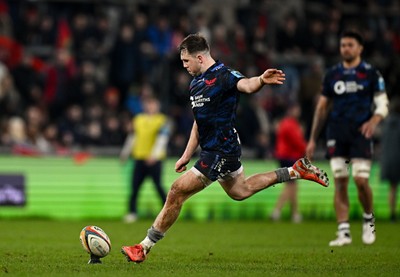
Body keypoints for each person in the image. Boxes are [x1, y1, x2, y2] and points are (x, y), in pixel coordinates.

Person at [121, 33, 329, 263]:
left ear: (199, 57)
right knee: (241, 191)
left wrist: (260, 79)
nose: (184, 66)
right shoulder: (195, 84)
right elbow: (198, 124)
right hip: (213, 149)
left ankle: (143, 247)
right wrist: (186, 154)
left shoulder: (224, 75)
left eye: (186, 61)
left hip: (222, 150)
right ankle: (295, 170)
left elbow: (247, 85)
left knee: (176, 191)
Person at [306, 31, 389, 246]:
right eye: (343, 45)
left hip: (361, 133)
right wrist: (313, 138)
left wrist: (373, 121)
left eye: (350, 45)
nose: (345, 49)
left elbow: (383, 105)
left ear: (360, 48)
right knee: (340, 181)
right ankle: (343, 231)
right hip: (337, 133)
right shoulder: (333, 74)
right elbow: (322, 107)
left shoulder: (371, 74)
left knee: (361, 181)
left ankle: (368, 219)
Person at [120, 97, 170, 223]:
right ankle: (132, 212)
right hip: (139, 158)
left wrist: (154, 155)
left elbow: (162, 139)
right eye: (149, 104)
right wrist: (125, 153)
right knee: (135, 187)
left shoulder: (162, 120)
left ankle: (168, 212)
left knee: (158, 186)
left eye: (154, 104)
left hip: (155, 160)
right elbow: (132, 137)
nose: (151, 107)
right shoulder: (138, 119)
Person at [271, 103, 307, 223]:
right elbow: (297, 141)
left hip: (285, 156)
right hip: (289, 157)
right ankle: (278, 211)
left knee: (292, 186)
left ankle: (294, 213)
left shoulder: (285, 123)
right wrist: (307, 151)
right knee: (291, 186)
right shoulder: (290, 124)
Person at [380, 97, 400, 222]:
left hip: (387, 161)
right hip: (398, 159)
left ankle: (392, 214)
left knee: (392, 188)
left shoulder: (385, 124)